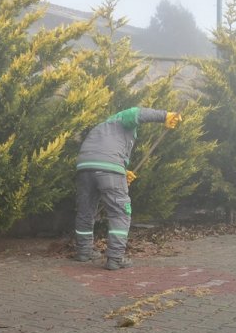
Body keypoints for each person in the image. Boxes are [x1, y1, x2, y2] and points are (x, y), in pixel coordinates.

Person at [74, 107, 181, 270]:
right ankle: (115, 258)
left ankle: (84, 252)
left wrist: (123, 172)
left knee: (85, 210)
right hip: (109, 168)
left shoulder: (101, 128)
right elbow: (137, 112)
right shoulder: (121, 119)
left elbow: (105, 151)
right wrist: (165, 115)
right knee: (120, 212)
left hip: (84, 168)